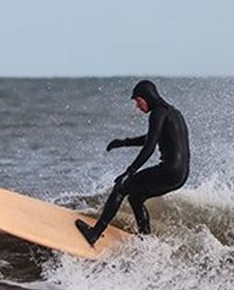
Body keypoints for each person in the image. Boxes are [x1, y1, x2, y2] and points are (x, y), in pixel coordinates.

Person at [75, 80, 190, 246]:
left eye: (138, 101)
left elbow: (150, 146)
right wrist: (124, 142)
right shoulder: (174, 113)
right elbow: (152, 138)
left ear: (147, 97)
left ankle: (94, 233)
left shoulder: (157, 113)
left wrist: (129, 171)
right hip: (181, 175)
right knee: (136, 197)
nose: (137, 106)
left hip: (169, 169)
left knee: (121, 187)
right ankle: (146, 242)